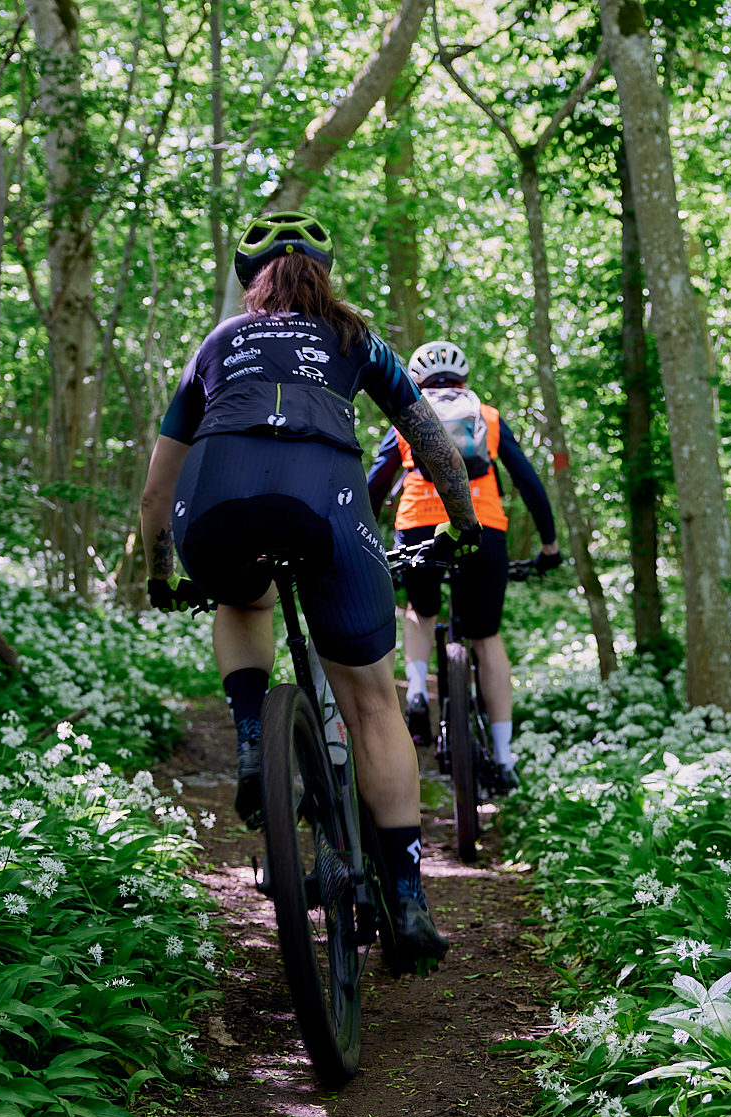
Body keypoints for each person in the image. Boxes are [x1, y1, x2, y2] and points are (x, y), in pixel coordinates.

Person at [138, 212, 482, 972]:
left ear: (248, 278)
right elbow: (430, 444)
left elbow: (157, 488)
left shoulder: (218, 343)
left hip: (215, 501)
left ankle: (256, 736)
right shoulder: (355, 337)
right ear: (325, 272)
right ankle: (408, 894)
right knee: (373, 704)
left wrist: (159, 573)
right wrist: (461, 526)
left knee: (242, 597)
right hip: (325, 498)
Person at [367, 341, 561, 791]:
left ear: (417, 379)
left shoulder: (406, 412)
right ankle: (505, 758)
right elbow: (528, 482)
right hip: (482, 526)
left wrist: (361, 539)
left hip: (417, 525)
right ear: (464, 379)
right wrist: (549, 544)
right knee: (487, 638)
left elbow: (376, 484)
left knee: (421, 610)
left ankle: (416, 690)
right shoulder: (487, 416)